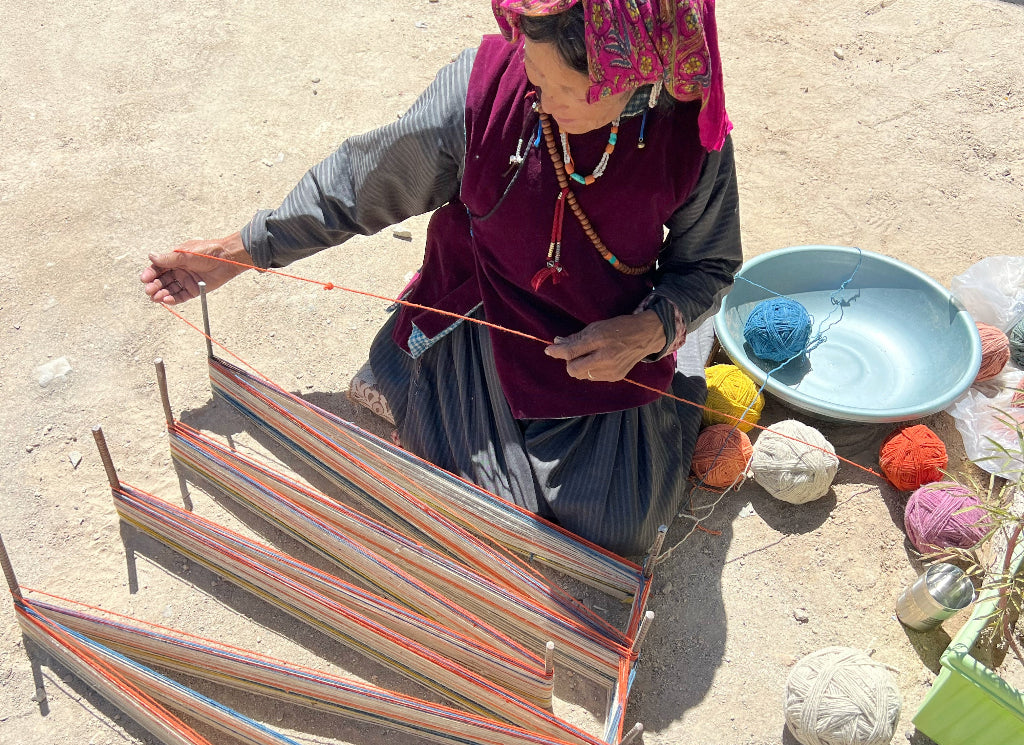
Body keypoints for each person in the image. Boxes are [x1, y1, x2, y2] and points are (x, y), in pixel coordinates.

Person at [141, 0, 742, 557]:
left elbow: (710, 264)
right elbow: (362, 182)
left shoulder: (689, 134)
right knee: (486, 513)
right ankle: (413, 344)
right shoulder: (483, 92)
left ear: (633, 80)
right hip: (486, 309)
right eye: (537, 75)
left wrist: (646, 332)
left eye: (570, 90)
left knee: (618, 529)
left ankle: (683, 349)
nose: (542, 100)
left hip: (607, 347)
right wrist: (239, 250)